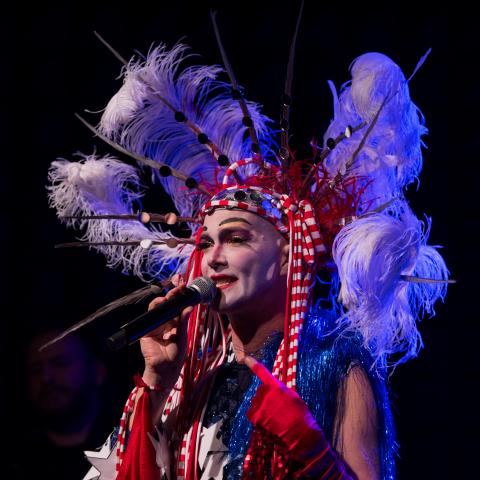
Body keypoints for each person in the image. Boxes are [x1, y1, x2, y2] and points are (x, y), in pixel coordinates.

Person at [47, 19, 451, 480]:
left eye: (236, 237)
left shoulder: (335, 363)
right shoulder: (185, 381)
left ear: (288, 252)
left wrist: (308, 447)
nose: (212, 256)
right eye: (205, 242)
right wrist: (155, 387)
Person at [8, 327, 117, 479]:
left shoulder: (127, 443)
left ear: (97, 371)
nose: (46, 378)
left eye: (59, 363)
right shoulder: (15, 459)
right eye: (36, 370)